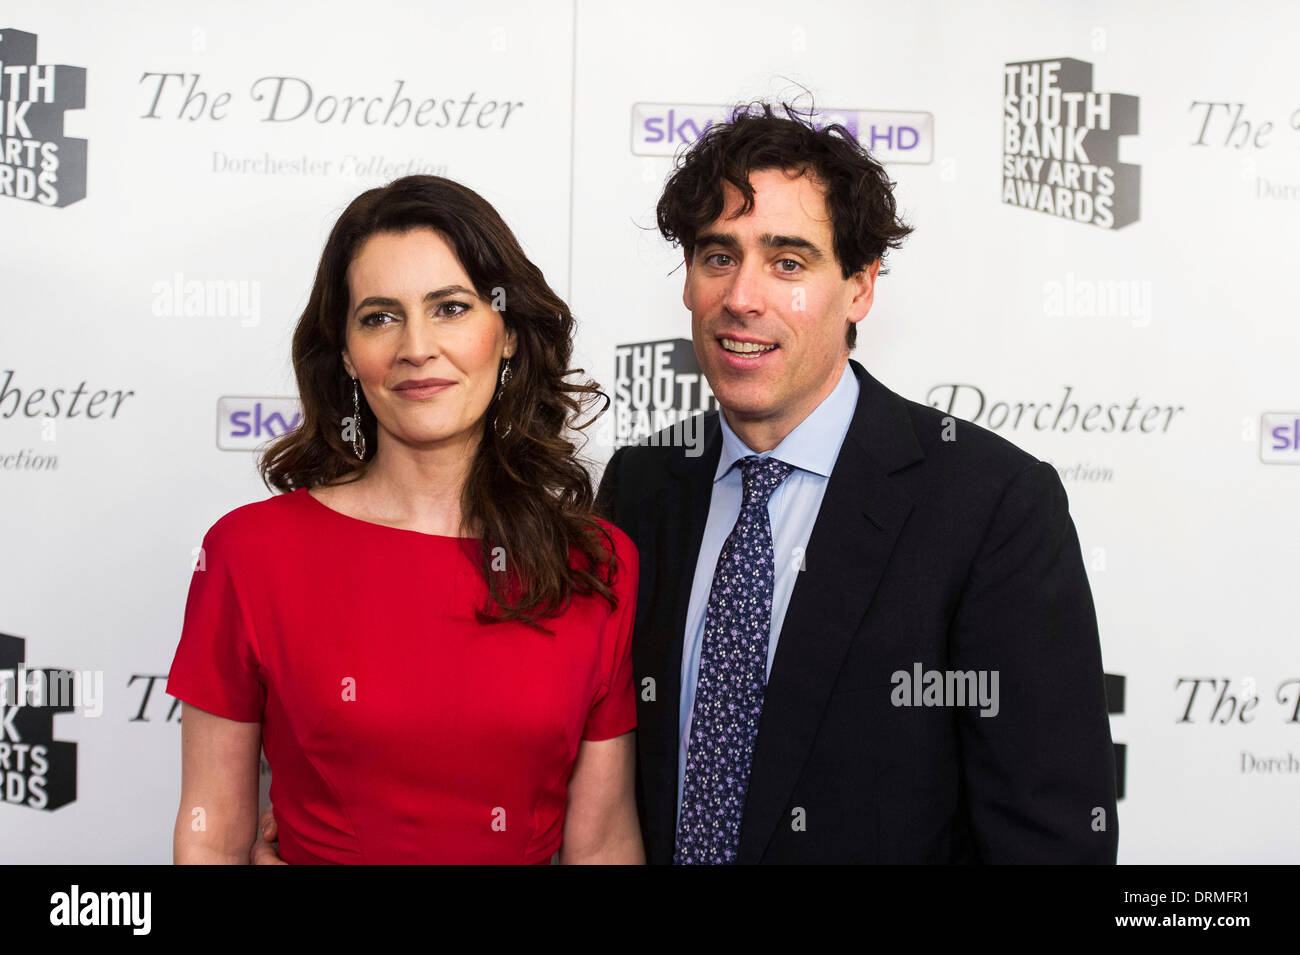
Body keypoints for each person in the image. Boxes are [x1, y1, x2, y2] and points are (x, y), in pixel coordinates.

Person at [594, 102, 1119, 864]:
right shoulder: (641, 488)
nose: (743, 296)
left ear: (861, 286)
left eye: (788, 261)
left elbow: (1052, 843)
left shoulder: (992, 507)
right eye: (718, 256)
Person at [168, 175, 643, 864]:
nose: (416, 346)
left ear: (507, 334)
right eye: (380, 316)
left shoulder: (595, 562)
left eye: (450, 307)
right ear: (346, 354)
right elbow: (210, 837)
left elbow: (603, 847)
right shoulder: (250, 554)